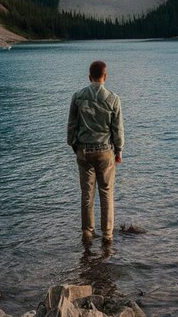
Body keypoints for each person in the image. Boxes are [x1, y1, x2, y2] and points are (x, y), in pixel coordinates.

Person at [67, 60, 124, 244]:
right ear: (105, 77)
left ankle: (87, 233)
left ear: (89, 77)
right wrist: (119, 150)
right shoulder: (113, 99)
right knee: (106, 193)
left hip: (84, 151)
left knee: (86, 194)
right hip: (105, 152)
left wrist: (74, 145)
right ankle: (107, 236)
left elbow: (72, 126)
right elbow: (118, 129)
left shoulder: (78, 97)